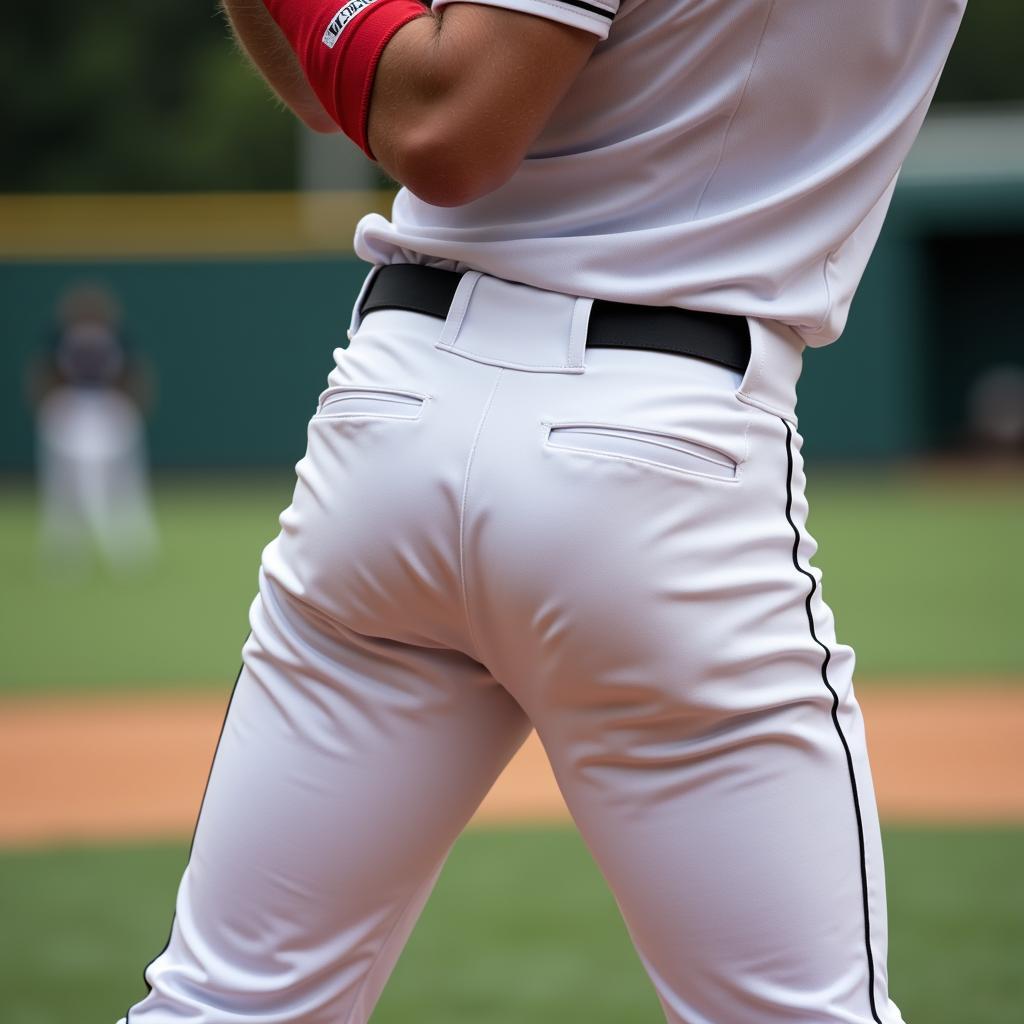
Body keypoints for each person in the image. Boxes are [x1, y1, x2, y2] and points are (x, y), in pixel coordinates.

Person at [121, 1, 966, 1021]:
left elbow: (440, 121)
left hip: (403, 428)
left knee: (225, 1003)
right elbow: (345, 88)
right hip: (650, 445)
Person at [29, 283, 158, 573]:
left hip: (108, 408)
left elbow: (135, 375)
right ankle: (65, 551)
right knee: (64, 486)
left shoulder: (118, 338)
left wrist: (130, 406)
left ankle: (128, 548)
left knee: (122, 485)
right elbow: (44, 374)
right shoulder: (59, 338)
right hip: (72, 408)